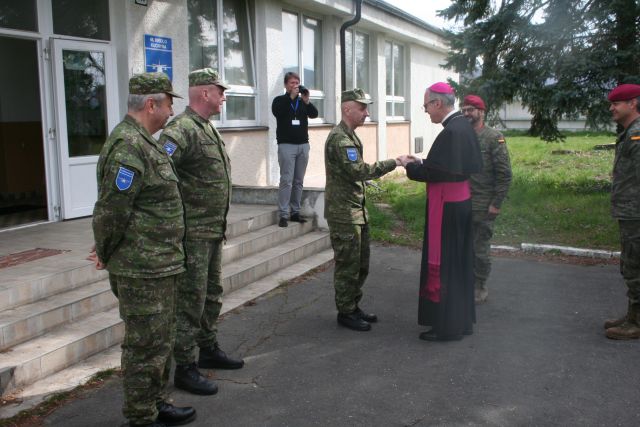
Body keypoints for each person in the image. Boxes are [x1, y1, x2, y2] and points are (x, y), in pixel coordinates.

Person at [90, 72, 196, 427]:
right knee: (144, 345)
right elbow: (111, 211)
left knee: (160, 341)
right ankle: (140, 416)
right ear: (151, 104)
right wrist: (104, 251)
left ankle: (156, 402)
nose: (171, 112)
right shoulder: (128, 146)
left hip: (160, 265)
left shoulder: (145, 143)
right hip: (141, 269)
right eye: (168, 105)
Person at [159, 68, 244, 396]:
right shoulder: (180, 130)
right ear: (204, 93)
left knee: (211, 294)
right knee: (190, 301)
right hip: (192, 234)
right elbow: (159, 174)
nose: (224, 97)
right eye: (220, 91)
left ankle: (208, 348)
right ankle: (185, 366)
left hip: (211, 232)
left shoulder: (205, 127)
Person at [398, 82, 482, 342]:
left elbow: (435, 173)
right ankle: (460, 322)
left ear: (438, 103)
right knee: (458, 265)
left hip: (447, 207)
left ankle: (447, 327)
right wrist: (423, 161)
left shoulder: (451, 132)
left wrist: (409, 166)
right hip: (460, 203)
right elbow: (447, 167)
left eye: (426, 106)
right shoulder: (462, 126)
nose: (426, 111)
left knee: (445, 266)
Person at [324, 88, 401, 331]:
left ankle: (353, 305)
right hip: (344, 213)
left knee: (360, 264)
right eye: (362, 108)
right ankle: (345, 312)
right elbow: (358, 171)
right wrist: (395, 162)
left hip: (355, 210)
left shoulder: (350, 136)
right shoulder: (340, 139)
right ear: (347, 109)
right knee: (348, 265)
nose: (367, 113)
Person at [461, 95, 512, 303]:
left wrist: (496, 203)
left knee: (479, 249)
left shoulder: (493, 137)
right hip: (460, 201)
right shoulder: (461, 136)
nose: (466, 113)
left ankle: (479, 285)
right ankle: (464, 282)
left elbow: (504, 174)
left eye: (470, 110)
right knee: (462, 247)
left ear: (481, 112)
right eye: (464, 110)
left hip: (483, 204)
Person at [604, 83, 640, 340]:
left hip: (636, 214)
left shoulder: (637, 134)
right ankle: (632, 315)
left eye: (616, 103)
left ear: (633, 103)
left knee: (635, 267)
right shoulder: (630, 133)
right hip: (630, 213)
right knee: (631, 264)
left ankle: (636, 323)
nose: (612, 108)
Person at [272, 71, 319, 227]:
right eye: (292, 83)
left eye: (297, 83)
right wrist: (291, 97)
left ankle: (295, 212)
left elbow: (314, 114)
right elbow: (278, 112)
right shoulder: (279, 100)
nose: (295, 85)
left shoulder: (302, 101)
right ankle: (283, 214)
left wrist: (307, 101)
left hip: (303, 146)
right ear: (286, 85)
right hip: (286, 146)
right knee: (287, 180)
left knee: (298, 181)